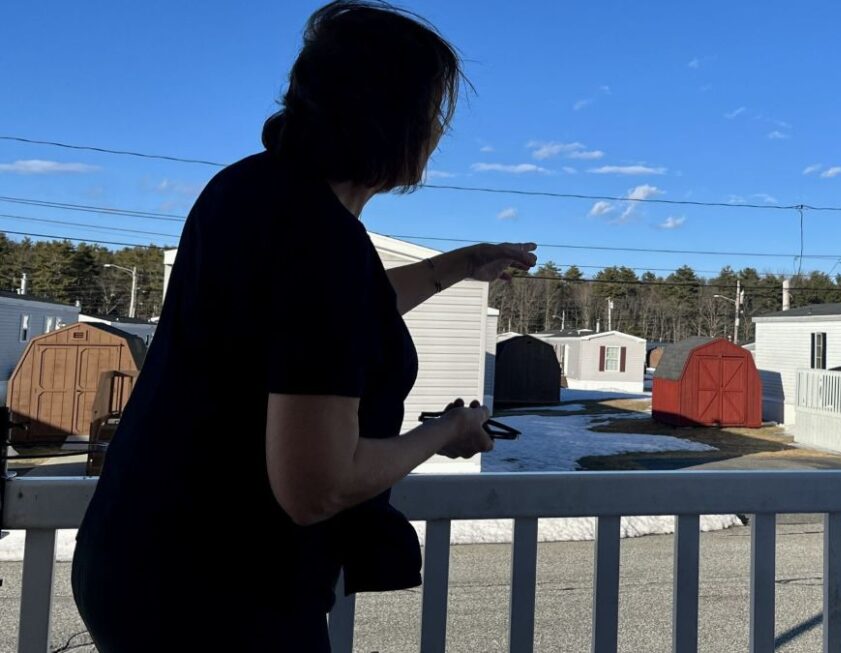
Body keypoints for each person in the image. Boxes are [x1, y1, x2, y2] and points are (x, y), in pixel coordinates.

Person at [71, 2, 537, 650]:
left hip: (137, 557)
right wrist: (444, 433)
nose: (437, 130)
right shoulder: (319, 241)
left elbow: (334, 313)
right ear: (394, 117)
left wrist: (459, 264)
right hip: (220, 595)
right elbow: (317, 485)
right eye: (433, 111)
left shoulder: (250, 191)